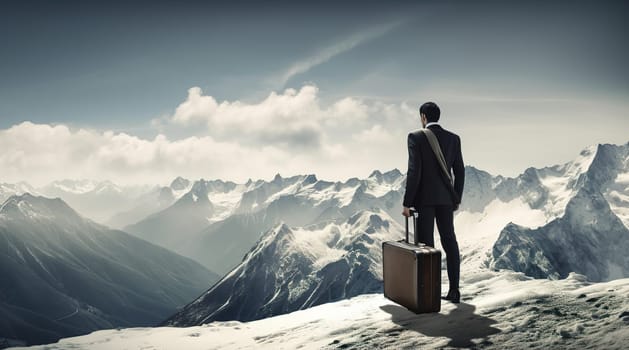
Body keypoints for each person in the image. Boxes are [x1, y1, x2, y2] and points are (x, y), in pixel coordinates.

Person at [402, 101, 465, 303]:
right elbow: (460, 171)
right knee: (449, 241)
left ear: (423, 117)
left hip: (424, 201)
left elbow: (414, 172)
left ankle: (429, 294)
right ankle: (454, 291)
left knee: (426, 246)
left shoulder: (416, 137)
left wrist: (407, 202)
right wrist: (456, 198)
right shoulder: (454, 139)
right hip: (446, 200)